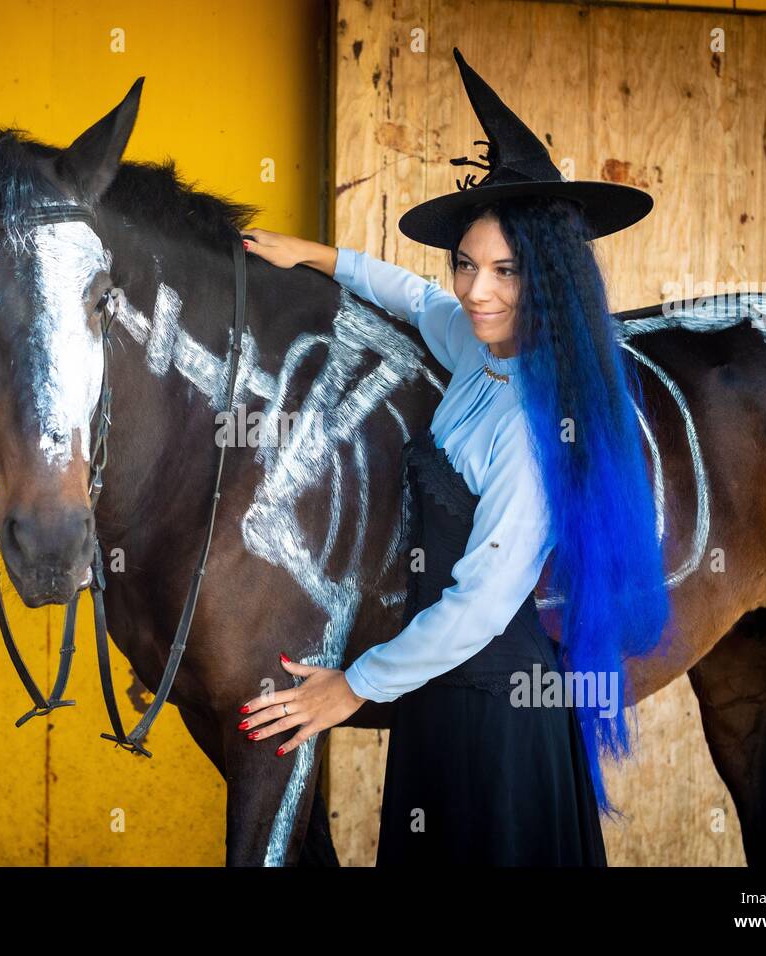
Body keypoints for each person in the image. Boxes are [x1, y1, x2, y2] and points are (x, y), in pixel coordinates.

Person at [236, 48, 671, 865]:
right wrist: (318, 257)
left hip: (496, 712)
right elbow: (420, 298)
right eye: (469, 264)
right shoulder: (479, 346)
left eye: (506, 272)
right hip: (442, 694)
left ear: (551, 280)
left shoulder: (536, 421)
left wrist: (349, 688)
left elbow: (478, 606)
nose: (478, 291)